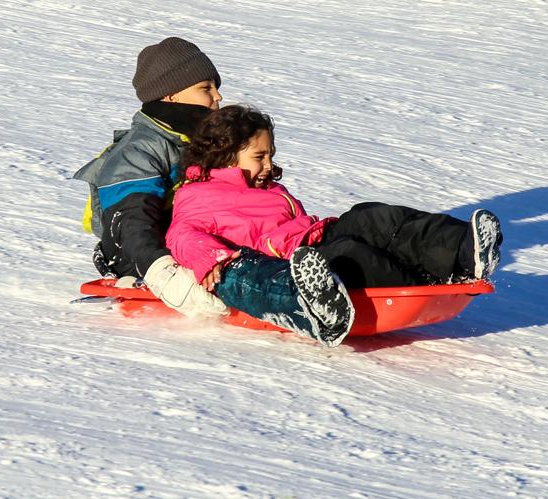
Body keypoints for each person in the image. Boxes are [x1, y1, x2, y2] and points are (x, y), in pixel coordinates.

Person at [73, 38, 350, 343]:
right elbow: (130, 223)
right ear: (172, 95)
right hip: (162, 255)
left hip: (208, 241)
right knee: (235, 266)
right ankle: (304, 306)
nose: (218, 96)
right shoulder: (137, 153)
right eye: (206, 88)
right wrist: (162, 271)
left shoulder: (200, 142)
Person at [166, 106, 503, 301]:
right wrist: (210, 258)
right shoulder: (198, 194)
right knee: (350, 254)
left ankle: (463, 250)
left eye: (270, 154)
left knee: (372, 216)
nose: (268, 164)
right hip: (292, 265)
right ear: (223, 157)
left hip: (314, 236)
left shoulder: (267, 188)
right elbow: (181, 234)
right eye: (259, 156)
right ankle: (420, 287)